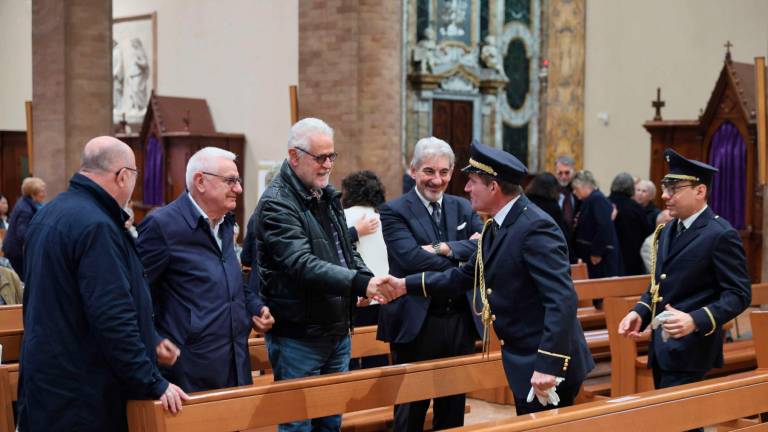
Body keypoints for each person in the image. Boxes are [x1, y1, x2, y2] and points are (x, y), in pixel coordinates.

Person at [388, 140, 594, 415]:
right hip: (526, 358)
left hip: (546, 364)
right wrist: (404, 285)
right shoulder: (497, 226)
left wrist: (548, 363)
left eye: (472, 181)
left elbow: (562, 300)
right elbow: (463, 275)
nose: (466, 189)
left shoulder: (534, 227)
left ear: (493, 187)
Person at [17, 136, 187, 431]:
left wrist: (151, 338)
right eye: (134, 177)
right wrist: (152, 381)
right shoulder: (96, 226)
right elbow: (112, 315)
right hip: (82, 391)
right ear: (122, 176)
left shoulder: (52, 212)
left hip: (46, 380)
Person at [254, 118, 398, 432]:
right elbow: (302, 263)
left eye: (332, 156)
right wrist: (360, 282)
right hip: (299, 335)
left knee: (331, 422)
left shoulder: (326, 196)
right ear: (294, 156)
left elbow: (344, 248)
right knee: (298, 426)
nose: (328, 165)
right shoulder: (277, 203)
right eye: (320, 158)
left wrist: (365, 280)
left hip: (335, 330)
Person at [137, 147, 274, 392]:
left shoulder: (224, 223)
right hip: (190, 368)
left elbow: (229, 280)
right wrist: (153, 339)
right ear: (200, 181)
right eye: (230, 181)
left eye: (238, 181)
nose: (239, 189)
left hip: (235, 361)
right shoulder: (163, 226)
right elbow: (136, 290)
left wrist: (254, 306)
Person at [619, 149, 750, 396]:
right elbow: (659, 284)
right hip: (662, 346)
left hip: (693, 347)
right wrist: (640, 311)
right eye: (665, 188)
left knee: (681, 422)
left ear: (700, 191)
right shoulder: (667, 230)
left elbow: (739, 294)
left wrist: (695, 319)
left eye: (674, 189)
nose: (665, 196)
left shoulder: (720, 234)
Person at [378, 137, 483, 431]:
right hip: (416, 322)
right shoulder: (394, 210)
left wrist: (444, 249)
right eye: (428, 171)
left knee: (452, 412)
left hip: (459, 320)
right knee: (410, 411)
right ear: (413, 170)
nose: (437, 180)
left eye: (444, 172)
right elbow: (411, 259)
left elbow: (486, 250)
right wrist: (464, 255)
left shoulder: (463, 208)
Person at [571, 170, 621, 285]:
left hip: (599, 259)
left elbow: (604, 226)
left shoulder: (596, 199)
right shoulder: (590, 200)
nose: (574, 192)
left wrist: (597, 252)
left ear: (584, 186)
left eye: (576, 189)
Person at [3, 177, 47, 280]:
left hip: (17, 252)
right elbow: (22, 234)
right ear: (33, 193)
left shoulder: (28, 204)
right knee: (20, 281)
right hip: (17, 253)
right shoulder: (25, 209)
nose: (44, 194)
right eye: (42, 191)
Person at [609, 172, 651, 275]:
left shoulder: (605, 203)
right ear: (632, 188)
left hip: (609, 257)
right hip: (632, 258)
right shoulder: (637, 208)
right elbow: (648, 233)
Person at [525, 172, 568, 239]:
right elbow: (562, 232)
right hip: (547, 242)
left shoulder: (526, 200)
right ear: (553, 188)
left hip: (527, 238)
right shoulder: (553, 206)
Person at [554, 156, 578, 262]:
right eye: (560, 173)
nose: (563, 177)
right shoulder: (551, 191)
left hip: (576, 243)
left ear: (573, 172)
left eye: (567, 173)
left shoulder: (578, 190)